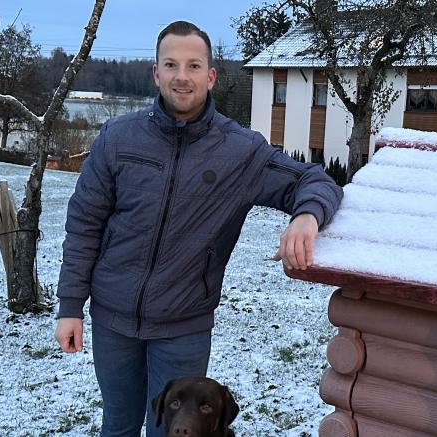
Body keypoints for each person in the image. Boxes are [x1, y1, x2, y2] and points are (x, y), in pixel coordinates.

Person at [53, 20, 343, 437]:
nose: (181, 76)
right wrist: (69, 307)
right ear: (156, 73)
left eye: (193, 66)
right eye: (171, 65)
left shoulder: (240, 151)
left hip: (183, 325)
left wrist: (306, 215)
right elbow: (84, 226)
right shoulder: (118, 138)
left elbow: (315, 180)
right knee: (117, 423)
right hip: (113, 320)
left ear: (210, 75)